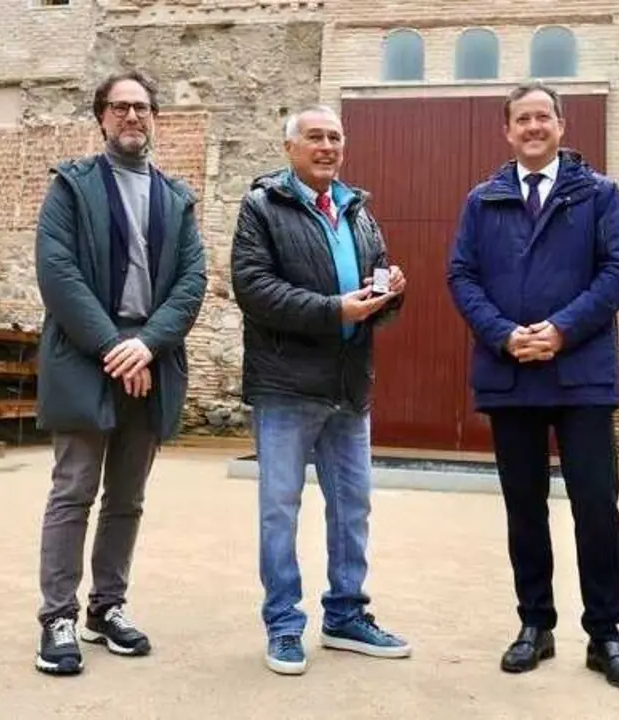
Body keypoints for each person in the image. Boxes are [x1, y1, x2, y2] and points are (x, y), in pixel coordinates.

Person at [446, 81, 619, 692]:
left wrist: (561, 330)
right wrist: (505, 335)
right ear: (507, 131)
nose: (533, 128)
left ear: (562, 125)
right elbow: (462, 274)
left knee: (595, 506)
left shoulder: (600, 195)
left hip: (581, 374)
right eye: (522, 119)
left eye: (543, 117)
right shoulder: (483, 201)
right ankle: (535, 623)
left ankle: (605, 634)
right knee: (524, 507)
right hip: (511, 374)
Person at [31, 70, 207, 676]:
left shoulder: (177, 197)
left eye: (142, 107)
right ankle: (58, 615)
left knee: (127, 497)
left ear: (155, 117)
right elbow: (57, 274)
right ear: (101, 118)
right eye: (120, 107)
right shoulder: (71, 188)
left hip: (151, 359)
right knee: (74, 488)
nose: (132, 116)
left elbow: (192, 284)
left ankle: (107, 609)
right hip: (86, 355)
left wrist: (148, 346)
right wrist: (115, 347)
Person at [229, 105, 410, 676]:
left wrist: (392, 291)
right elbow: (255, 288)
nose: (327, 146)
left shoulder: (358, 210)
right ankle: (284, 625)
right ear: (290, 148)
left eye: (335, 137)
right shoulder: (261, 207)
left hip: (348, 386)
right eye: (315, 137)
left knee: (352, 507)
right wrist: (335, 310)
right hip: (286, 386)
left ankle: (346, 615)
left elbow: (374, 285)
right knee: (279, 511)